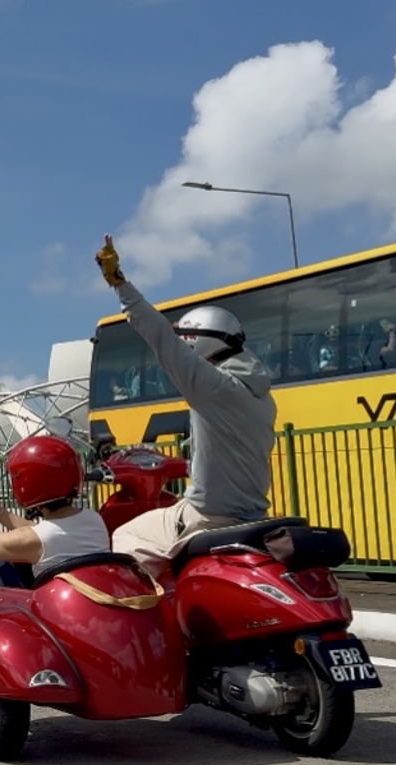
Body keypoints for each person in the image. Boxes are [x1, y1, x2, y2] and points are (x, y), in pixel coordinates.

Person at [95, 234, 277, 577]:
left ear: (197, 343)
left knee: (124, 536)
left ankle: (152, 608)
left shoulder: (210, 385)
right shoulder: (261, 395)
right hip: (253, 514)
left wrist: (119, 283)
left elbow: (159, 335)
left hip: (209, 516)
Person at [0, 436, 109, 582]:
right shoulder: (94, 519)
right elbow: (37, 529)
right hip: (94, 598)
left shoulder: (37, 540)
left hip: (52, 605)